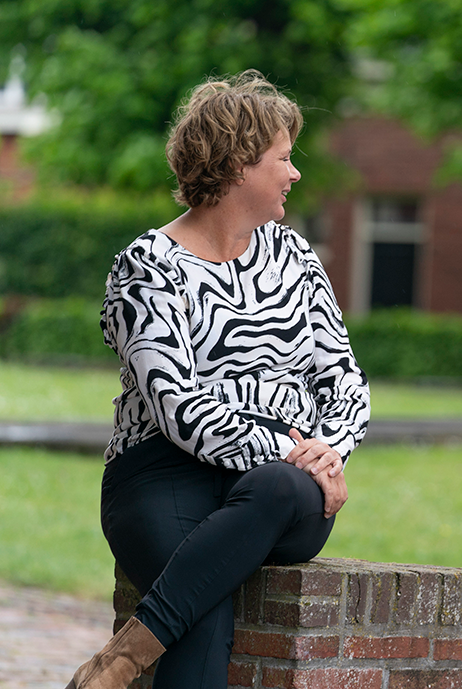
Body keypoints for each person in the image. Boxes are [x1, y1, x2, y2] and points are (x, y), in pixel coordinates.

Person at [66, 70, 369, 689]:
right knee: (202, 621)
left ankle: (117, 663)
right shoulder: (147, 266)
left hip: (283, 489)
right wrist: (294, 447)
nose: (295, 173)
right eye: (284, 159)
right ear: (236, 165)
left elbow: (345, 380)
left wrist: (327, 450)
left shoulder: (296, 257)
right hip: (161, 475)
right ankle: (118, 665)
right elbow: (179, 410)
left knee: (281, 490)